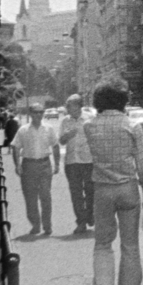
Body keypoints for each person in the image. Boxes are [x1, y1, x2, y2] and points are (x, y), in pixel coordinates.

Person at [84, 79, 143, 285]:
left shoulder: (90, 126)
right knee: (130, 248)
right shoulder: (132, 126)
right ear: (123, 100)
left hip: (102, 189)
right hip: (128, 189)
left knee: (103, 243)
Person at [11, 103, 60, 234]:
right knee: (30, 197)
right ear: (30, 114)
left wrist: (57, 164)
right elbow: (15, 147)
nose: (39, 115)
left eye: (41, 112)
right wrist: (17, 165)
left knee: (45, 195)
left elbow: (55, 145)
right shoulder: (23, 130)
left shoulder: (49, 128)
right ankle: (35, 224)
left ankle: (47, 225)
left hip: (44, 165)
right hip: (28, 165)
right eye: (36, 112)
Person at [59, 94, 94, 235]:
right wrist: (66, 135)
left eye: (70, 106)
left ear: (79, 106)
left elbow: (96, 138)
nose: (68, 108)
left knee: (91, 191)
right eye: (67, 106)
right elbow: (61, 141)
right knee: (76, 194)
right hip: (72, 162)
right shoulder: (65, 121)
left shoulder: (90, 119)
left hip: (88, 161)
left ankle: (90, 215)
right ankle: (81, 222)